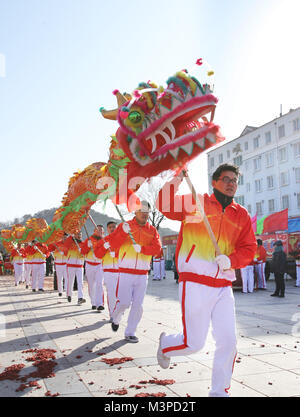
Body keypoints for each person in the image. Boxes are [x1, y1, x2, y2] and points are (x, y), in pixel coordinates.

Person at [155, 164, 257, 397]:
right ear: (214, 182)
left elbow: (249, 248)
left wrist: (231, 260)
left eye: (235, 180)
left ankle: (219, 392)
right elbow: (165, 206)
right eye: (226, 179)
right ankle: (166, 344)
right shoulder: (195, 202)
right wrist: (176, 178)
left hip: (223, 285)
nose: (231, 183)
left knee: (228, 342)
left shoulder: (240, 214)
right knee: (194, 344)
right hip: (195, 282)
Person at [97, 201, 162, 343]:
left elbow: (157, 249)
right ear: (135, 211)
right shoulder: (125, 226)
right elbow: (113, 245)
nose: (145, 214)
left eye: (147, 212)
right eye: (142, 211)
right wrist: (122, 233)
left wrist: (143, 249)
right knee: (124, 302)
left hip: (142, 274)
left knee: (138, 305)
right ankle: (116, 317)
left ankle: (130, 332)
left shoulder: (152, 230)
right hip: (126, 272)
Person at [94, 221, 119, 321]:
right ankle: (113, 315)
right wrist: (104, 248)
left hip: (121, 270)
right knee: (111, 293)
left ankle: (118, 311)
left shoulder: (122, 240)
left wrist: (116, 254)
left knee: (121, 295)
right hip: (108, 271)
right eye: (110, 227)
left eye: (114, 227)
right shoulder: (103, 241)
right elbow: (97, 255)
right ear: (107, 229)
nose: (112, 229)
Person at [80, 225, 105, 311]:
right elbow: (82, 252)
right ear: (94, 231)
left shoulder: (104, 241)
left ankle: (100, 304)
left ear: (103, 232)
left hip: (100, 264)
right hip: (89, 264)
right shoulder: (88, 240)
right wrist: (87, 245)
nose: (99, 231)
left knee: (99, 283)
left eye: (101, 230)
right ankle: (93, 302)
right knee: (91, 285)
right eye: (98, 230)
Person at [63, 232, 86, 305]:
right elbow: (65, 246)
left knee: (80, 282)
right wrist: (70, 237)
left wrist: (82, 252)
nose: (79, 235)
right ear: (74, 235)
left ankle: (80, 298)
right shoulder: (70, 242)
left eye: (80, 234)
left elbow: (85, 254)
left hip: (80, 266)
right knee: (70, 281)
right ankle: (69, 294)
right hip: (71, 265)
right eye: (77, 234)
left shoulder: (83, 243)